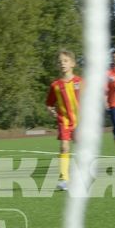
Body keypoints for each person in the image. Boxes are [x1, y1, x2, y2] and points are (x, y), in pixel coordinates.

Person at [44, 50, 82, 189]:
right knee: (64, 147)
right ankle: (64, 178)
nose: (62, 64)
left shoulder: (80, 82)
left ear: (72, 63)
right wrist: (51, 110)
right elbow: (49, 103)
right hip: (64, 121)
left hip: (80, 123)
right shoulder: (55, 85)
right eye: (60, 62)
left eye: (65, 61)